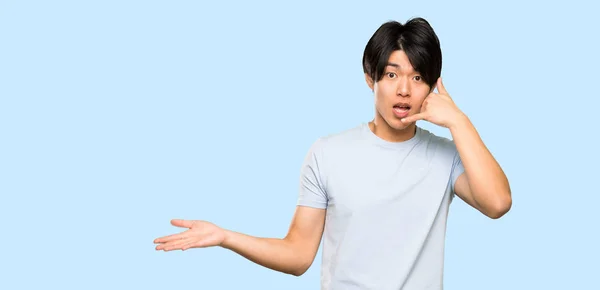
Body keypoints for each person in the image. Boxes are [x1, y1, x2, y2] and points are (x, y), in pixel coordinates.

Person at [153, 17, 512, 289]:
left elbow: (497, 203)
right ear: (370, 78)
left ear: (432, 87)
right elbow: (297, 254)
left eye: (418, 78)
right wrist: (226, 237)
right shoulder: (328, 153)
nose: (404, 89)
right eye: (391, 74)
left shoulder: (446, 156)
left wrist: (459, 121)